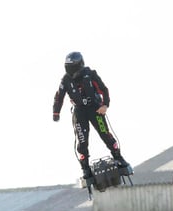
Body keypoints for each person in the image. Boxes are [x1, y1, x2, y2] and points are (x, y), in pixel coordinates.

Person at [53, 51, 130, 179]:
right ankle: (85, 168)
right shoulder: (65, 80)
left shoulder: (90, 74)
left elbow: (103, 89)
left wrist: (105, 105)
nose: (71, 70)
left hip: (95, 109)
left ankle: (119, 158)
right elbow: (59, 97)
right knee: (82, 141)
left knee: (105, 134)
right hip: (79, 112)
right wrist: (56, 112)